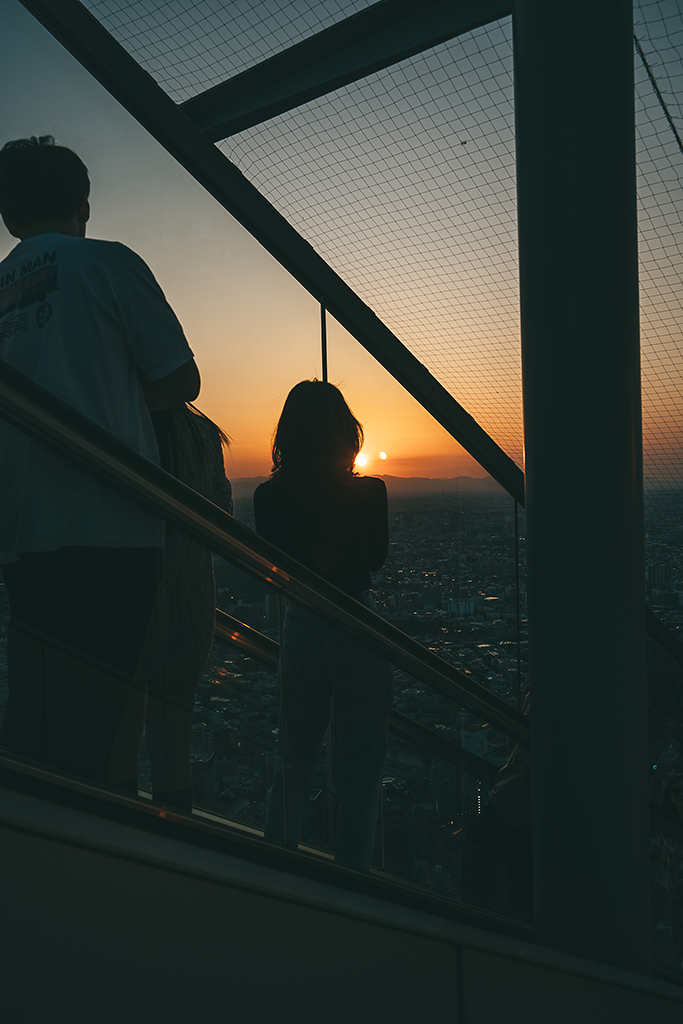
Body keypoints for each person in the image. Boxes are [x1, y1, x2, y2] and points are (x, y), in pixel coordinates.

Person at [0, 136, 199, 787]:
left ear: (7, 214)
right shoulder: (108, 265)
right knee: (95, 731)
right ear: (82, 203)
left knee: (37, 720)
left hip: (23, 535)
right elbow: (179, 379)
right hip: (111, 527)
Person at [254, 380, 393, 871]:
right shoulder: (370, 492)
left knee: (291, 764)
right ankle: (353, 890)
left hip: (302, 622)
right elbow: (374, 559)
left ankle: (275, 874)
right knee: (359, 780)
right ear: (346, 432)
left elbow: (273, 563)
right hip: (357, 622)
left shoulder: (267, 499)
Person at [123, 403, 233, 811]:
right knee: (174, 753)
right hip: (188, 605)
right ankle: (175, 847)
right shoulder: (202, 434)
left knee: (121, 748)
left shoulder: (120, 414)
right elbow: (222, 517)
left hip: (126, 611)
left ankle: (124, 852)